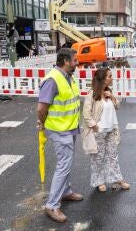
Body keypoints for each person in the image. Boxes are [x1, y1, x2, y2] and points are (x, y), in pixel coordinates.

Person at [37, 48, 83, 223]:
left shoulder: (68, 77)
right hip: (59, 129)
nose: (77, 63)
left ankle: (65, 192)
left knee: (67, 162)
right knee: (64, 165)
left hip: (69, 128)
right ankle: (52, 205)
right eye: (75, 60)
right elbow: (41, 108)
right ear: (65, 61)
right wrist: (42, 122)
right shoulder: (53, 80)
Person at [81, 68, 130, 192]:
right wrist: (95, 126)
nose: (112, 78)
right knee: (98, 157)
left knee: (113, 156)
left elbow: (118, 106)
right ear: (102, 79)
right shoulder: (92, 94)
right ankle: (99, 181)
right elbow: (86, 114)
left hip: (111, 130)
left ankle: (117, 179)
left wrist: (112, 97)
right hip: (99, 131)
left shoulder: (109, 92)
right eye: (109, 76)